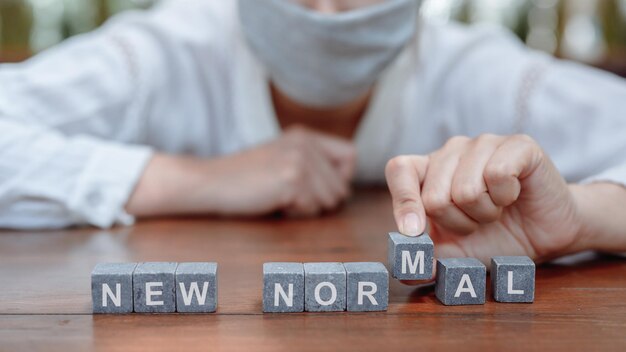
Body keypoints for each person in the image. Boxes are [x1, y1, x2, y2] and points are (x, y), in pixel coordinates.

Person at [1, 0, 625, 265]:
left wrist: (581, 218)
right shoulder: (164, 52)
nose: (326, 11)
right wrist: (189, 180)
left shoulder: (481, 73)